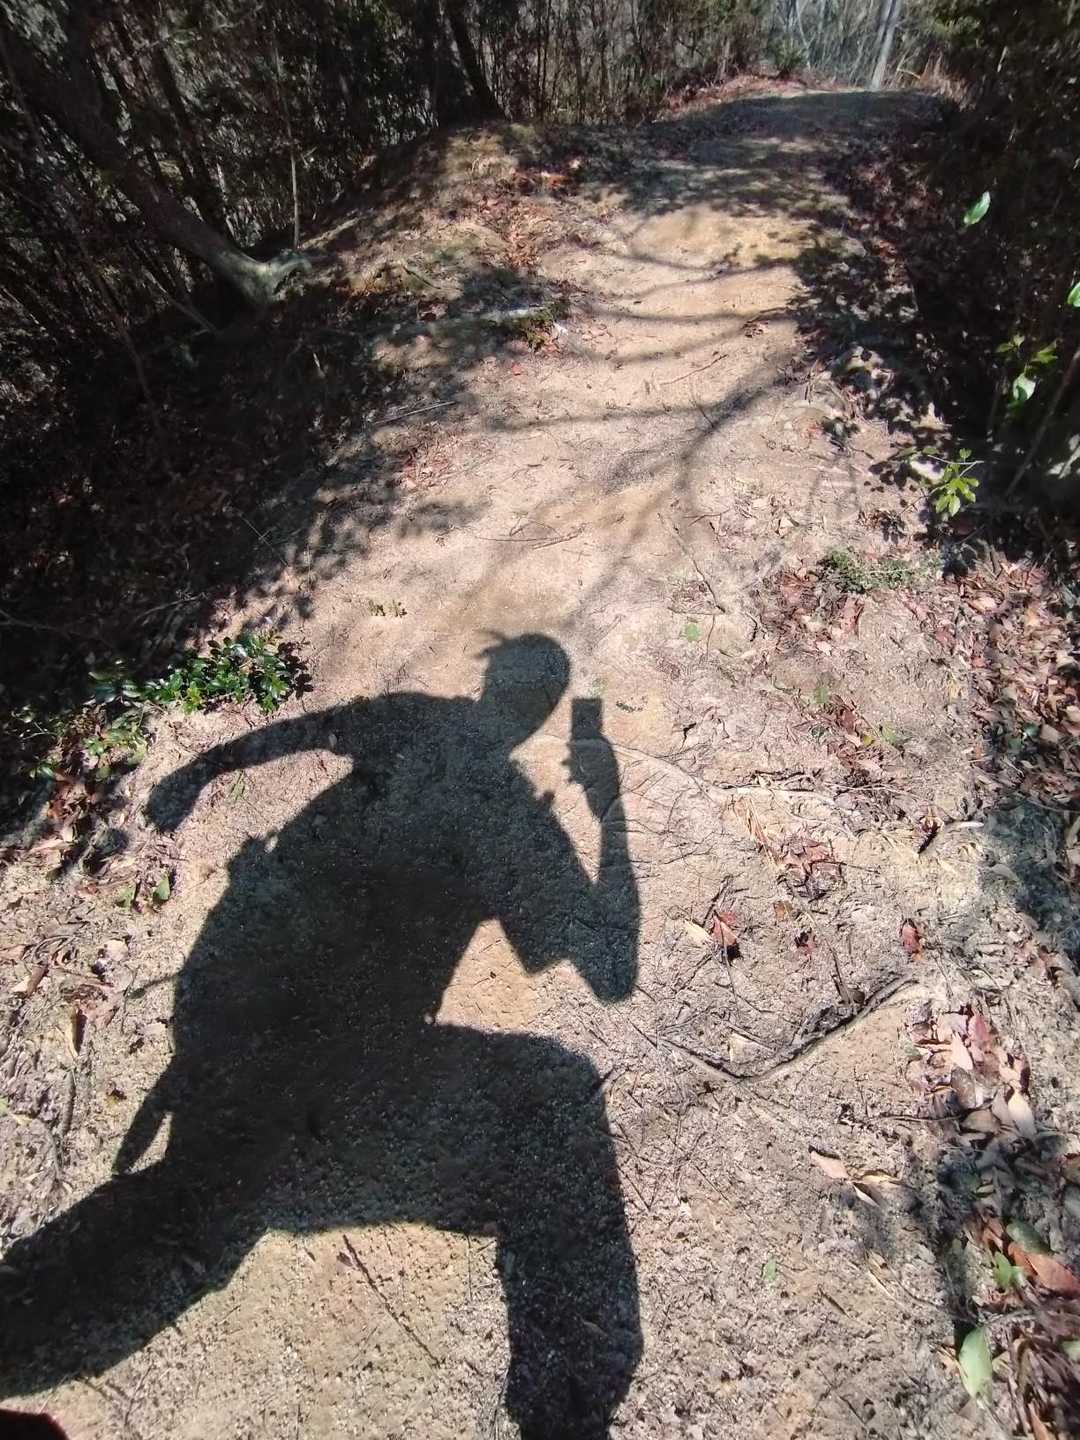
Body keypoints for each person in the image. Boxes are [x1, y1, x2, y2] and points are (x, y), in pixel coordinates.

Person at [1, 635, 642, 1438]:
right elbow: (612, 975)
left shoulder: (425, 726)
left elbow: (320, 729)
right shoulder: (506, 808)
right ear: (536, 714)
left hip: (240, 996)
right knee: (196, 1214)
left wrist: (205, 769)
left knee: (189, 1208)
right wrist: (608, 809)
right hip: (295, 1041)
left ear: (493, 684)